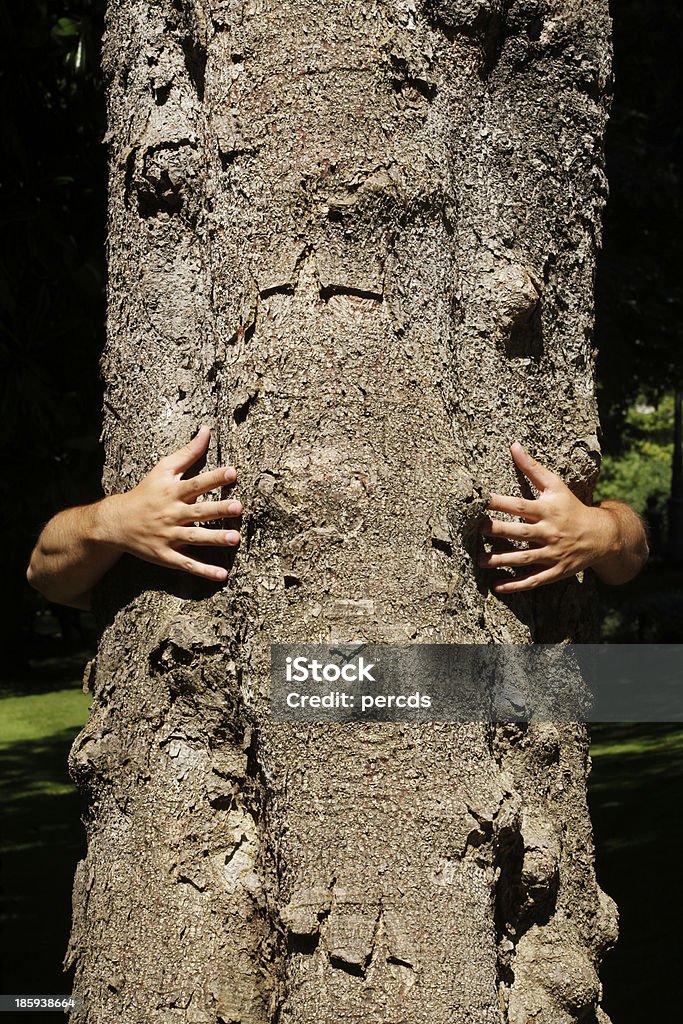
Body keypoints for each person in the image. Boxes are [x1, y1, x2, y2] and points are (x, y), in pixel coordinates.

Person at [26, 429, 648, 610]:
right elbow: (44, 572)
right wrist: (112, 520)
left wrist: (600, 530)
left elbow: (634, 554)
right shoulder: (147, 515)